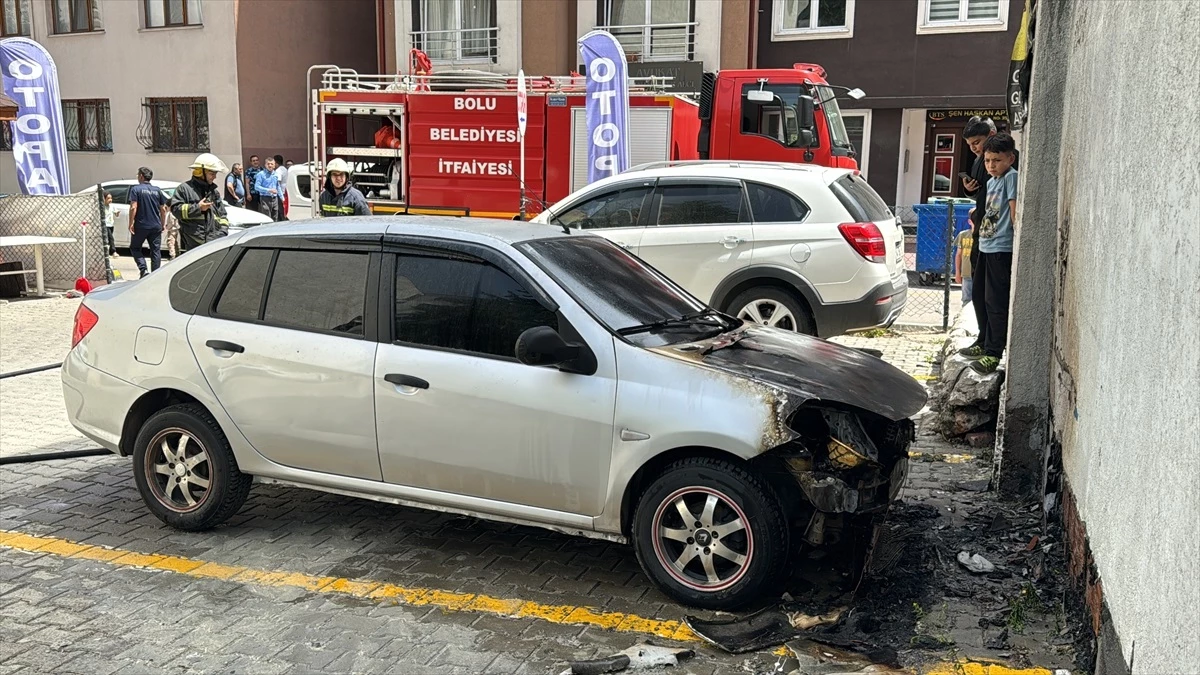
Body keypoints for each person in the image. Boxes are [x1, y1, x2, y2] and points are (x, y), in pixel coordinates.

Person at [959, 117, 1019, 360]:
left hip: (1000, 244)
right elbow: (983, 195)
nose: (990, 164)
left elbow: (1012, 208)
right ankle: (983, 341)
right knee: (979, 295)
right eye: (987, 160)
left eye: (978, 142)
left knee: (995, 300)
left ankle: (993, 350)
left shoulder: (1009, 174)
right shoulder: (981, 165)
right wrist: (969, 189)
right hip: (983, 237)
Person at [170, 153, 231, 254]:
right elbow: (176, 210)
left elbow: (222, 215)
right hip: (194, 245)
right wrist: (198, 208)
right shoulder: (184, 189)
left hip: (214, 242)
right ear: (200, 172)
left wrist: (223, 232)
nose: (215, 177)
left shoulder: (213, 192)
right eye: (212, 174)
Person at [127, 167, 168, 278]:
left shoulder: (136, 189)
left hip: (141, 225)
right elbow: (163, 209)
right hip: (155, 225)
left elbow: (133, 207)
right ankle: (155, 274)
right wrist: (163, 223)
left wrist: (131, 223)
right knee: (155, 250)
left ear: (141, 176)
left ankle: (143, 269)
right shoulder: (157, 190)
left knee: (135, 247)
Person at [954, 212, 974, 305]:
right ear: (969, 222)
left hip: (979, 273)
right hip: (966, 273)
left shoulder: (984, 236)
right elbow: (958, 255)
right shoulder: (963, 235)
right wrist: (958, 273)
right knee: (966, 299)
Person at [254, 156, 282, 220]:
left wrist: (282, 198)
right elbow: (256, 187)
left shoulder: (276, 174)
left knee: (275, 216)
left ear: (274, 165)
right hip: (265, 198)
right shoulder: (261, 174)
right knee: (267, 217)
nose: (270, 165)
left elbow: (278, 186)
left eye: (271, 164)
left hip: (274, 198)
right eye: (268, 164)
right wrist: (269, 190)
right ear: (265, 165)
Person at [102, 191, 118, 257]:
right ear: (104, 199)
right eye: (108, 198)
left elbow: (116, 214)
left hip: (111, 225)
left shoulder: (112, 206)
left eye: (111, 198)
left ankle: (106, 252)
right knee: (111, 238)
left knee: (108, 239)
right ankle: (113, 251)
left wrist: (117, 213)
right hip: (106, 225)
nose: (110, 200)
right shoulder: (102, 207)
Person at [273, 154, 289, 220]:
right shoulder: (285, 169)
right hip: (284, 192)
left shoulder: (278, 171)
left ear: (276, 162)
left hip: (280, 193)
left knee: (280, 211)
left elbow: (278, 183)